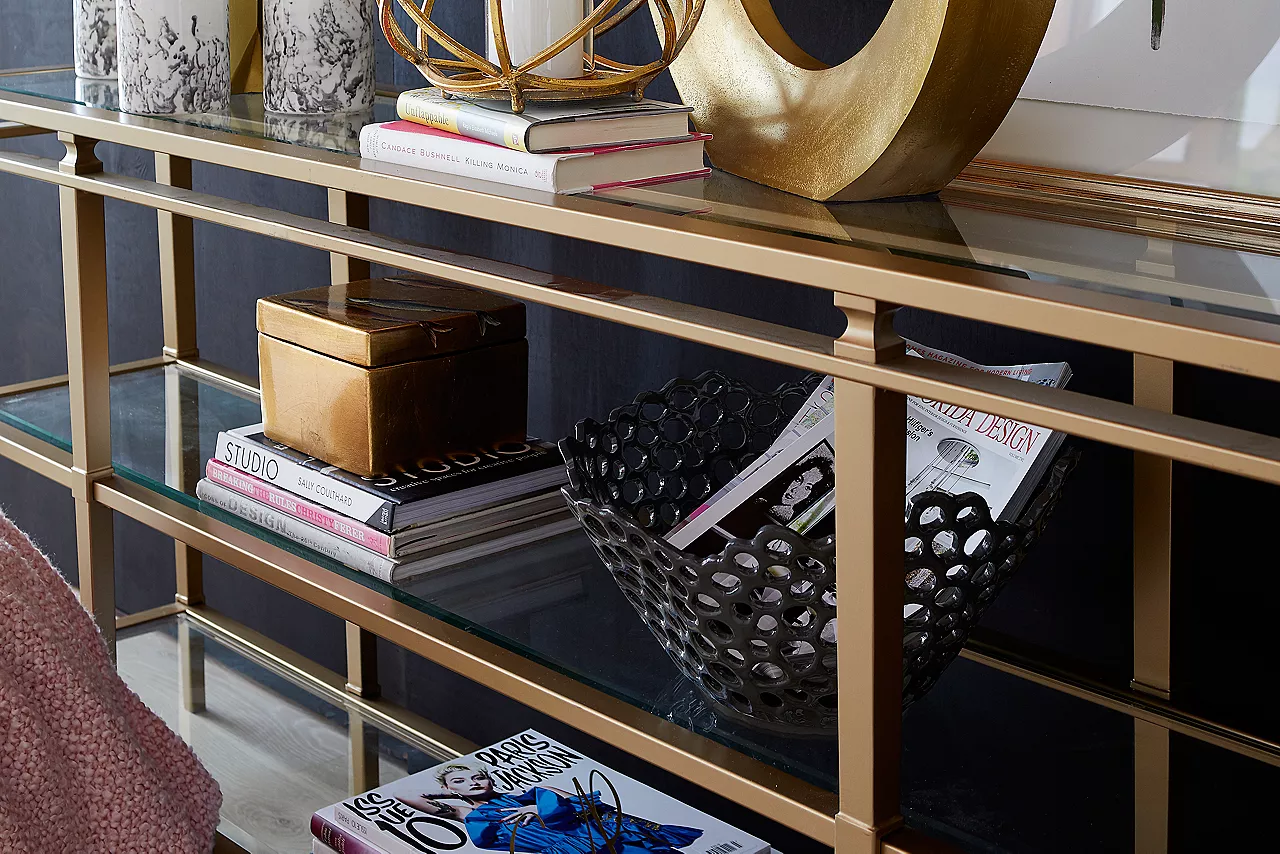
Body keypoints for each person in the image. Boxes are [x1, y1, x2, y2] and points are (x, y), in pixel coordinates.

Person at [396, 763, 703, 854]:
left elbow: (586, 804)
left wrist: (535, 806)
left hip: (602, 841)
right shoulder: (466, 814)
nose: (474, 782)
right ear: (450, 789)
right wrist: (446, 790)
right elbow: (403, 794)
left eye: (479, 776)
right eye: (462, 781)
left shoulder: (532, 793)